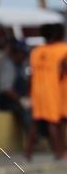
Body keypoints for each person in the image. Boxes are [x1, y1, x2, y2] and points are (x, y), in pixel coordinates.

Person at [28, 24, 67, 159]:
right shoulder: (63, 50)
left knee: (36, 122)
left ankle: (28, 153)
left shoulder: (35, 51)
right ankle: (60, 153)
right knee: (55, 122)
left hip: (37, 91)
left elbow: (31, 74)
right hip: (55, 91)